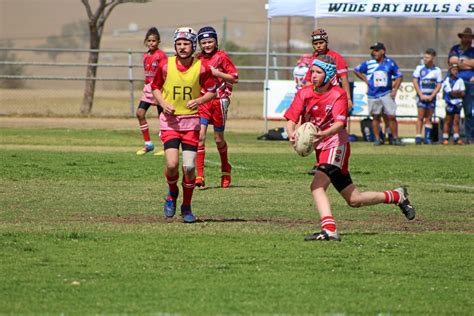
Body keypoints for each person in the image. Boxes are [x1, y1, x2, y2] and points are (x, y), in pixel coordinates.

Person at [284, 55, 415, 242]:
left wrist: (323, 134)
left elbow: (339, 124)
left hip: (337, 145)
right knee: (355, 200)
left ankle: (329, 230)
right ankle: (397, 196)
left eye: (318, 72)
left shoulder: (338, 94)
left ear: (328, 74)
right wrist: (292, 134)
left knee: (317, 186)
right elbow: (291, 118)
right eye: (312, 71)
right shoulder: (304, 93)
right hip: (322, 149)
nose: (313, 75)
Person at [151, 27, 217, 223]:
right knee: (172, 164)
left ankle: (186, 207)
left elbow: (212, 91)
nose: (182, 47)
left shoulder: (202, 67)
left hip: (191, 124)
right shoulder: (165, 65)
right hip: (170, 123)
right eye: (179, 44)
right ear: (175, 46)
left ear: (193, 45)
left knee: (189, 168)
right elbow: (154, 87)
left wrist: (199, 101)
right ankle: (172, 193)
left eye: (186, 44)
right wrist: (163, 104)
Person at [195, 26, 239, 188]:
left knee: (218, 139)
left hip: (220, 101)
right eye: (204, 42)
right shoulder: (197, 59)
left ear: (216, 42)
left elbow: (235, 78)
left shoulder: (222, 57)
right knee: (199, 137)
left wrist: (218, 73)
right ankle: (200, 176)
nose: (207, 45)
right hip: (203, 100)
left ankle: (226, 169)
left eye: (210, 41)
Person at [304, 29, 352, 175]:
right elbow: (308, 81)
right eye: (316, 43)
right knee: (317, 130)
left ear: (326, 42)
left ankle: (340, 162)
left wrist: (348, 98)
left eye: (321, 42)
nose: (318, 46)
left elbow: (344, 78)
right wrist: (305, 97)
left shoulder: (336, 57)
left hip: (335, 99)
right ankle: (319, 162)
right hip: (319, 100)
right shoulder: (314, 59)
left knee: (338, 130)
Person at [354, 42, 403, 146]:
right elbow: (356, 70)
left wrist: (395, 89)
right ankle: (378, 139)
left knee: (391, 116)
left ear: (383, 51)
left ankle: (395, 138)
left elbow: (399, 75)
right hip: (373, 94)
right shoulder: (369, 63)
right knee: (376, 117)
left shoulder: (390, 63)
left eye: (376, 50)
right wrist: (366, 80)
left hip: (386, 93)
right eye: (373, 50)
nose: (374, 52)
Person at [136, 27, 168, 156]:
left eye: (154, 41)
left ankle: (167, 146)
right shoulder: (145, 55)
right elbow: (148, 75)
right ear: (145, 42)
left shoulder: (161, 56)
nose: (151, 43)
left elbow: (164, 74)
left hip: (159, 89)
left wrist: (158, 94)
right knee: (140, 113)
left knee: (162, 118)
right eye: (149, 41)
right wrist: (146, 88)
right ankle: (148, 144)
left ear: (158, 42)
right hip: (148, 89)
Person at [448, 27, 474, 144]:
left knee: (469, 112)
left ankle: (470, 137)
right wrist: (469, 64)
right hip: (455, 83)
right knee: (453, 111)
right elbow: (453, 62)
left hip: (470, 83)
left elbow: (459, 63)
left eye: (469, 37)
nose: (467, 39)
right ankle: (451, 137)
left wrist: (461, 63)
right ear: (461, 37)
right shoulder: (455, 49)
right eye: (465, 37)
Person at [412, 48, 443, 145]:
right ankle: (418, 136)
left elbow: (438, 84)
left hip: (431, 98)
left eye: (427, 57)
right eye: (424, 57)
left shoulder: (437, 70)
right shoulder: (419, 68)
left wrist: (432, 95)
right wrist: (420, 94)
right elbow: (415, 81)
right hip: (421, 97)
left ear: (433, 58)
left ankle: (427, 137)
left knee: (429, 117)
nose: (425, 59)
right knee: (420, 116)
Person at [442, 64, 466, 145]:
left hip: (458, 103)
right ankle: (445, 137)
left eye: (456, 70)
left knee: (456, 120)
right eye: (453, 70)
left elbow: (463, 93)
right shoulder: (447, 80)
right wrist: (456, 93)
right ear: (450, 71)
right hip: (450, 102)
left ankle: (456, 137)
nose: (455, 72)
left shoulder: (460, 80)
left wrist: (456, 93)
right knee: (448, 120)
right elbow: (450, 93)